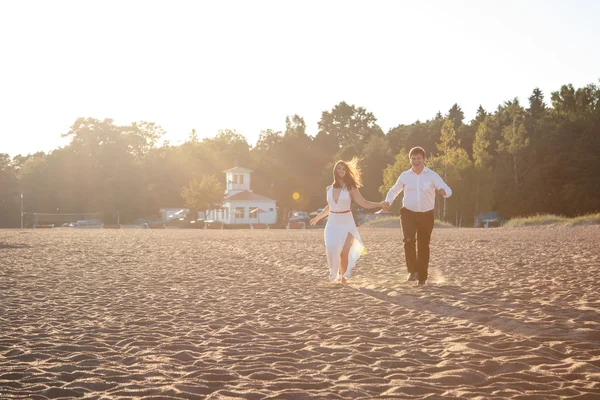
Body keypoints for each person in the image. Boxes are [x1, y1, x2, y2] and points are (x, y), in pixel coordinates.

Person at [383, 147, 452, 285]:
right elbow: (395, 189)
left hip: (426, 215)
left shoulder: (432, 175)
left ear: (424, 159)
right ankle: (412, 271)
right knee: (408, 240)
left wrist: (444, 192)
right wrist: (388, 201)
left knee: (423, 245)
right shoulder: (405, 176)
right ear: (410, 160)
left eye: (419, 158)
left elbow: (447, 189)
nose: (416, 161)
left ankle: (422, 278)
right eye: (413, 159)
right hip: (408, 213)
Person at [310, 158, 383, 284]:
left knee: (344, 252)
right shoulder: (329, 188)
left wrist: (379, 204)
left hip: (347, 222)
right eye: (339, 168)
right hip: (332, 222)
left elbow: (364, 203)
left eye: (343, 169)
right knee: (332, 248)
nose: (341, 171)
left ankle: (344, 278)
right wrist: (317, 218)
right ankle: (334, 273)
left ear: (347, 171)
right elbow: (330, 206)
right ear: (335, 171)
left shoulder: (351, 187)